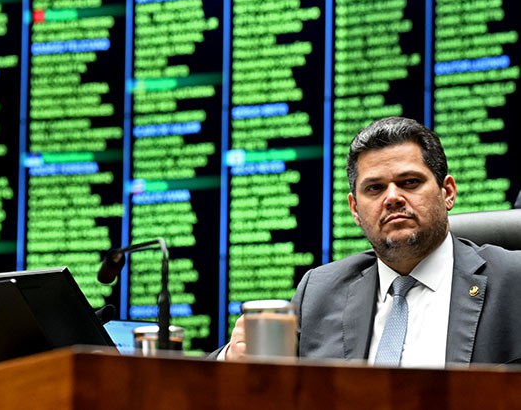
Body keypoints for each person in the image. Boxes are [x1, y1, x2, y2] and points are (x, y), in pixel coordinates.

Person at [215, 116, 521, 367]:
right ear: (355, 209)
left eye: (409, 182)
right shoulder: (319, 292)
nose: (392, 198)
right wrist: (233, 357)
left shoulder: (512, 280)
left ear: (448, 192)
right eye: (374, 189)